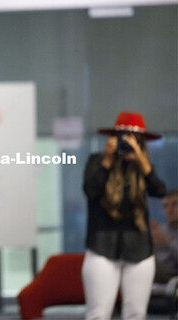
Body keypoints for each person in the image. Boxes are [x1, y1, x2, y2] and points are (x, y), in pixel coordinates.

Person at [82, 111, 166, 320]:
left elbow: (159, 190)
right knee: (98, 314)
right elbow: (91, 190)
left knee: (136, 314)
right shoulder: (97, 162)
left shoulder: (143, 169)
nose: (126, 144)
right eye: (123, 138)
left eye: (133, 139)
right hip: (102, 245)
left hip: (139, 248)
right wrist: (107, 161)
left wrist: (141, 161)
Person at [151, 190, 178, 284]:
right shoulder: (161, 229)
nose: (169, 210)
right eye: (165, 206)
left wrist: (167, 240)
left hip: (171, 277)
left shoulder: (161, 232)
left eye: (174, 204)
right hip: (155, 274)